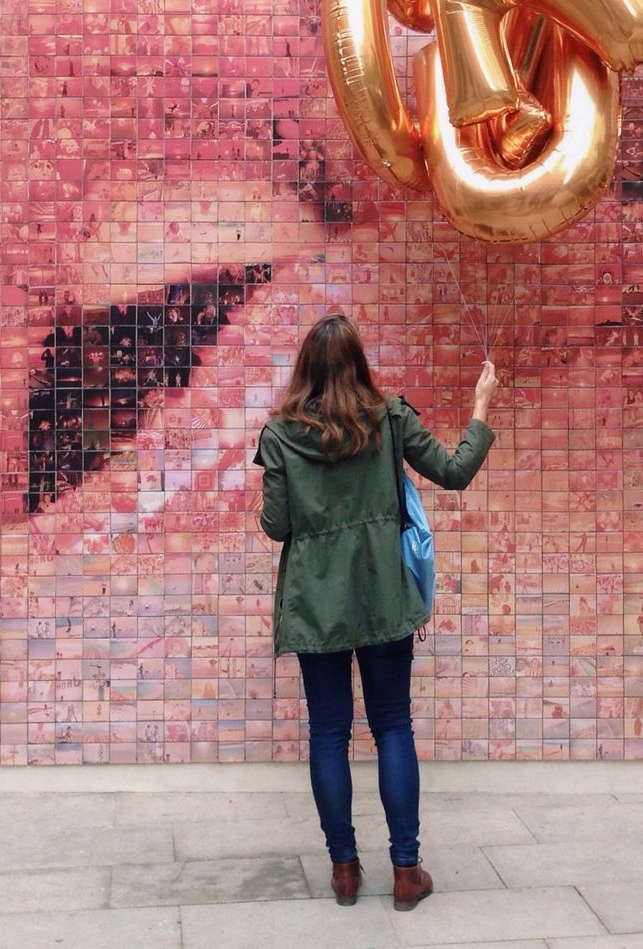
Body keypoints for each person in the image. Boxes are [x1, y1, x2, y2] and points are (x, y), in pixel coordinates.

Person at [252, 313, 498, 908]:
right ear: (359, 364)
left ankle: (343, 870)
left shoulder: (281, 434)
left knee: (329, 734)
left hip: (315, 603)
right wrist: (481, 406)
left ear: (305, 368)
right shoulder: (390, 420)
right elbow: (456, 471)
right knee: (393, 726)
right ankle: (407, 871)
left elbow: (277, 526)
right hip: (383, 593)